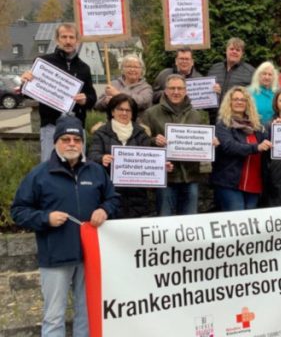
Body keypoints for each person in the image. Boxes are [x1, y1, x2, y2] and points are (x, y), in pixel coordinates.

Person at [11, 116, 119, 337]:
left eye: (76, 139)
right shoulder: (39, 175)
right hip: (56, 255)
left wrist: (104, 210)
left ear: (83, 143)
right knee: (53, 316)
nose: (72, 144)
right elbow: (19, 211)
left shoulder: (95, 171)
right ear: (55, 142)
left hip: (89, 255)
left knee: (87, 313)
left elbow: (113, 198)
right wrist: (45, 218)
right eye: (66, 139)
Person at [19, 23, 97, 162]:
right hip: (51, 125)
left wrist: (85, 100)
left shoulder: (84, 68)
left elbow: (92, 98)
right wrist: (25, 82)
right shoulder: (43, 63)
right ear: (57, 39)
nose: (68, 41)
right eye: (64, 37)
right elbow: (27, 93)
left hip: (76, 124)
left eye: (71, 37)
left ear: (77, 41)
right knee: (49, 167)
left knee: (76, 167)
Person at [140, 74, 214, 215]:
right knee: (165, 219)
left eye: (180, 88)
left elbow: (204, 142)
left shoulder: (197, 115)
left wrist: (210, 142)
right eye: (172, 88)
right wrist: (154, 141)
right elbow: (140, 141)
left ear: (185, 91)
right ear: (165, 91)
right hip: (166, 177)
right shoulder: (150, 114)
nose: (176, 92)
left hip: (191, 176)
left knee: (189, 222)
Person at [88, 94, 170, 218]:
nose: (124, 113)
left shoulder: (141, 134)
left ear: (133, 113)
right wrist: (101, 158)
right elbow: (92, 155)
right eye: (120, 109)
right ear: (112, 112)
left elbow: (148, 158)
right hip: (110, 195)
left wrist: (160, 166)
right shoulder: (101, 133)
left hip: (137, 197)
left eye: (128, 110)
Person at [211, 87, 272, 210]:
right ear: (229, 102)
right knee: (237, 220)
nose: (239, 102)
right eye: (236, 99)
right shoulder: (222, 124)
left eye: (243, 100)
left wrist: (278, 128)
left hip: (254, 182)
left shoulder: (256, 126)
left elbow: (267, 143)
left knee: (249, 224)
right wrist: (256, 147)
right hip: (230, 182)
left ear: (248, 103)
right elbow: (229, 146)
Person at [206, 37, 255, 124]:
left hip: (237, 122)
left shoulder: (250, 72)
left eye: (238, 50)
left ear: (242, 53)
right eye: (231, 49)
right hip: (215, 119)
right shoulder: (214, 69)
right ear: (226, 50)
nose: (234, 52)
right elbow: (205, 95)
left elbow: (253, 99)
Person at [249, 61, 279, 127]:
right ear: (258, 75)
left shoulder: (278, 93)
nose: (267, 77)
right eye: (264, 74)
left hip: (273, 129)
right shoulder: (249, 92)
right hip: (254, 128)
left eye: (270, 74)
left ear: (274, 77)